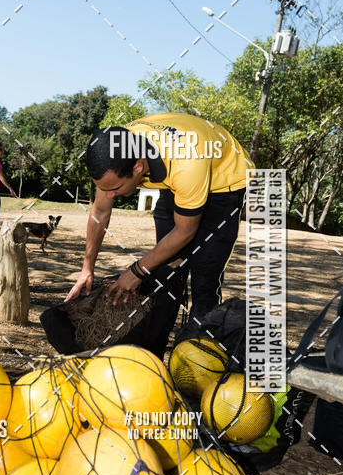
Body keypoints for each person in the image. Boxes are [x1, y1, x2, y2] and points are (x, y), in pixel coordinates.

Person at [66, 112, 253, 326]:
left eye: (115, 188)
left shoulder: (186, 164)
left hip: (223, 180)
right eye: (103, 188)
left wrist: (136, 271)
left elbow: (185, 232)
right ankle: (152, 350)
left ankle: (198, 345)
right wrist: (87, 268)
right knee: (165, 270)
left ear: (137, 167)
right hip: (177, 177)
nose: (109, 195)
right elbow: (100, 213)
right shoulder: (115, 151)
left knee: (205, 276)